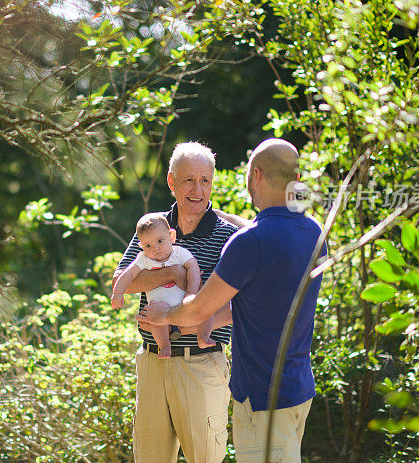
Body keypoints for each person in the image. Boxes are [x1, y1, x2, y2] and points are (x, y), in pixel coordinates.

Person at [138, 138, 326, 463]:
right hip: (298, 391)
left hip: (262, 398)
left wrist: (164, 313)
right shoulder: (314, 232)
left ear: (256, 175)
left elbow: (200, 308)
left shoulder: (250, 242)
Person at [112, 141, 241, 463]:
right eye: (188, 180)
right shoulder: (154, 227)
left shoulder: (229, 237)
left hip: (202, 363)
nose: (198, 189)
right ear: (171, 181)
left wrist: (191, 317)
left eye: (205, 181)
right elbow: (121, 282)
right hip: (153, 362)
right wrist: (175, 273)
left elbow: (242, 306)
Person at [111, 213, 215, 358]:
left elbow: (194, 268)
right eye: (148, 245)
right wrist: (118, 293)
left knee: (207, 311)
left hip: (185, 304)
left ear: (171, 236)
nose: (156, 248)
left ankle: (203, 337)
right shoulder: (144, 259)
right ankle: (164, 346)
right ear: (141, 246)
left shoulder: (178, 253)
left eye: (160, 241)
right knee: (156, 323)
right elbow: (127, 274)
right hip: (158, 310)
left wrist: (191, 292)